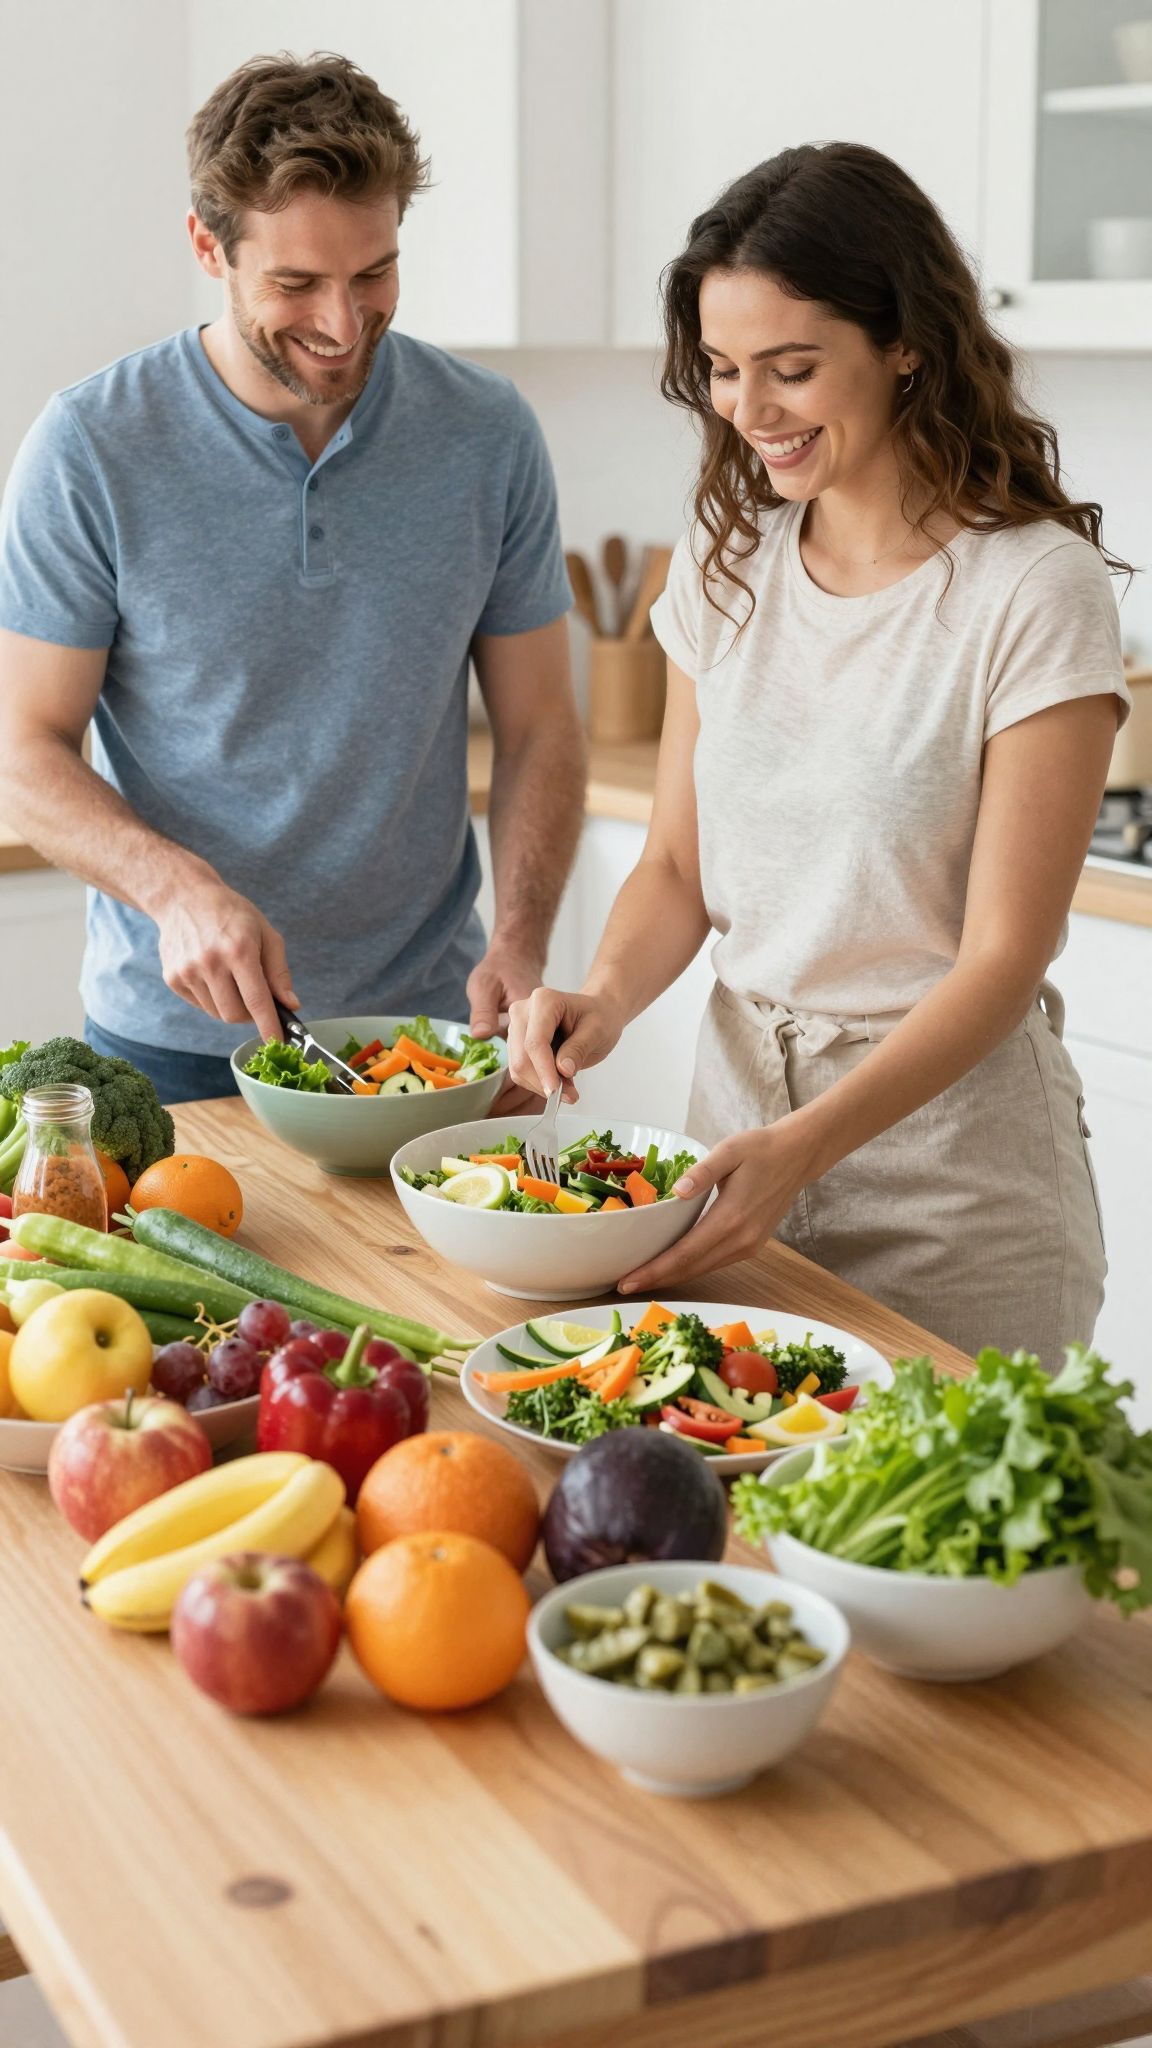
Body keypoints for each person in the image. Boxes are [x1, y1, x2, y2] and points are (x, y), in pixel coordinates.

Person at [508, 143, 1130, 1369]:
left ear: (906, 344)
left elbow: (1003, 959)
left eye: (792, 368)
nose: (751, 410)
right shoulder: (726, 564)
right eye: (724, 369)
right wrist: (606, 995)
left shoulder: (1030, 590)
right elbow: (678, 865)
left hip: (955, 1195)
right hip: (736, 1146)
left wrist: (809, 1145)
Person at [0, 53, 584, 1104]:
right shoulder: (91, 446)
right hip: (175, 1040)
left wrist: (522, 941)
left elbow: (541, 723)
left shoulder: (487, 434)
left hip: (430, 1032)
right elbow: (22, 752)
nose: (343, 324)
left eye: (374, 274)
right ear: (208, 247)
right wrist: (175, 889)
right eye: (297, 284)